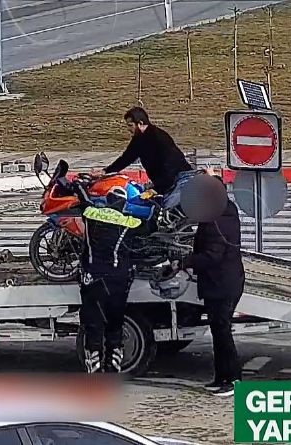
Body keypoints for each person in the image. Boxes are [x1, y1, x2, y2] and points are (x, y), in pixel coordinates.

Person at [78, 199, 156, 373]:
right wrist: (153, 204)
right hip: (117, 281)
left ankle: (95, 368)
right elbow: (150, 227)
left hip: (94, 280)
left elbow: (82, 203)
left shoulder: (91, 214)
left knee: (94, 325)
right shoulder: (128, 221)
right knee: (115, 323)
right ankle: (113, 366)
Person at [181, 186, 245, 396]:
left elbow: (212, 256)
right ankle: (221, 377)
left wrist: (186, 261)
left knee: (223, 332)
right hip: (220, 282)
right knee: (218, 332)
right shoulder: (226, 211)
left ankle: (234, 379)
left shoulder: (216, 221)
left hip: (222, 284)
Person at [103, 107, 195, 203]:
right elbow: (126, 158)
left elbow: (170, 166)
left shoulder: (159, 138)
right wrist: (106, 171)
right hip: (168, 181)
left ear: (140, 123)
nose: (129, 129)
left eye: (130, 125)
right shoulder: (139, 139)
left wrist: (158, 189)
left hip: (181, 179)